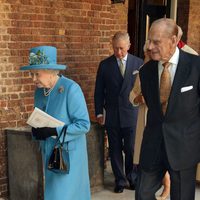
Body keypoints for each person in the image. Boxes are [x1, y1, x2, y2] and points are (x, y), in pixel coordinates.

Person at [135, 18, 200, 200]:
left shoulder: (196, 66)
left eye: (156, 42)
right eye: (149, 41)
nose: (149, 47)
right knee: (142, 194)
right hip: (153, 146)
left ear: (173, 40)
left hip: (184, 148)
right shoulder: (145, 72)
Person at [20, 46, 91, 200]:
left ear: (51, 70)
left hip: (68, 156)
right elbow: (39, 117)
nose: (33, 79)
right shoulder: (39, 91)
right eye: (31, 74)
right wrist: (36, 130)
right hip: (49, 153)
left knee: (63, 195)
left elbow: (84, 125)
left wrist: (53, 131)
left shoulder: (71, 89)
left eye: (36, 74)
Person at [94, 31, 143, 193]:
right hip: (113, 114)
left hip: (131, 114)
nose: (119, 52)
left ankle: (132, 177)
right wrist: (99, 112)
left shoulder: (139, 64)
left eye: (122, 48)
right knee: (114, 149)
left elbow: (143, 89)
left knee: (130, 149)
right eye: (115, 49)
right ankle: (120, 181)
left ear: (128, 46)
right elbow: (99, 91)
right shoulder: (105, 65)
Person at [130, 41, 170, 200]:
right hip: (144, 120)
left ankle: (166, 185)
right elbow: (132, 95)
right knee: (146, 160)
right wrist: (138, 98)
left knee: (164, 159)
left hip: (164, 123)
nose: (148, 56)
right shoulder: (143, 72)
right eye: (146, 54)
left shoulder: (168, 70)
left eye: (150, 53)